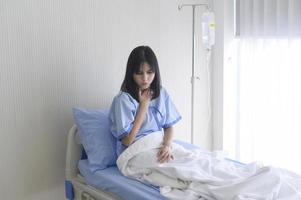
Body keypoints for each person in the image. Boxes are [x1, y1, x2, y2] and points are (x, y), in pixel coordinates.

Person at [109, 46, 181, 163]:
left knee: (191, 160)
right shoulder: (123, 100)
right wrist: (143, 106)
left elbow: (168, 126)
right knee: (172, 167)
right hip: (135, 152)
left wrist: (167, 145)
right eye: (139, 73)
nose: (145, 79)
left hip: (160, 144)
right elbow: (127, 141)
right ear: (131, 73)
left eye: (150, 72)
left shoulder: (161, 93)